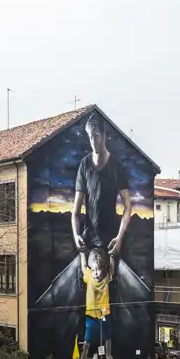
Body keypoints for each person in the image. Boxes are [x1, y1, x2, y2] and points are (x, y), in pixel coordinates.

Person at [70, 114, 133, 268]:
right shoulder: (84, 165)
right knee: (85, 284)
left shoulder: (116, 166)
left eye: (96, 136)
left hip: (111, 239)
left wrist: (120, 237)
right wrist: (76, 235)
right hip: (88, 240)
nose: (93, 141)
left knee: (112, 284)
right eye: (90, 137)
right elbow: (76, 212)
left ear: (104, 136)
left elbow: (128, 207)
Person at [80, 246, 114, 359]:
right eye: (93, 270)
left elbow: (111, 269)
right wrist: (82, 254)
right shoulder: (89, 276)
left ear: (103, 268)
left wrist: (112, 255)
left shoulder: (106, 278)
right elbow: (84, 266)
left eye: (98, 269)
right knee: (87, 338)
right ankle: (83, 357)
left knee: (107, 336)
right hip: (91, 314)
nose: (95, 273)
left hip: (104, 314)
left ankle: (108, 354)